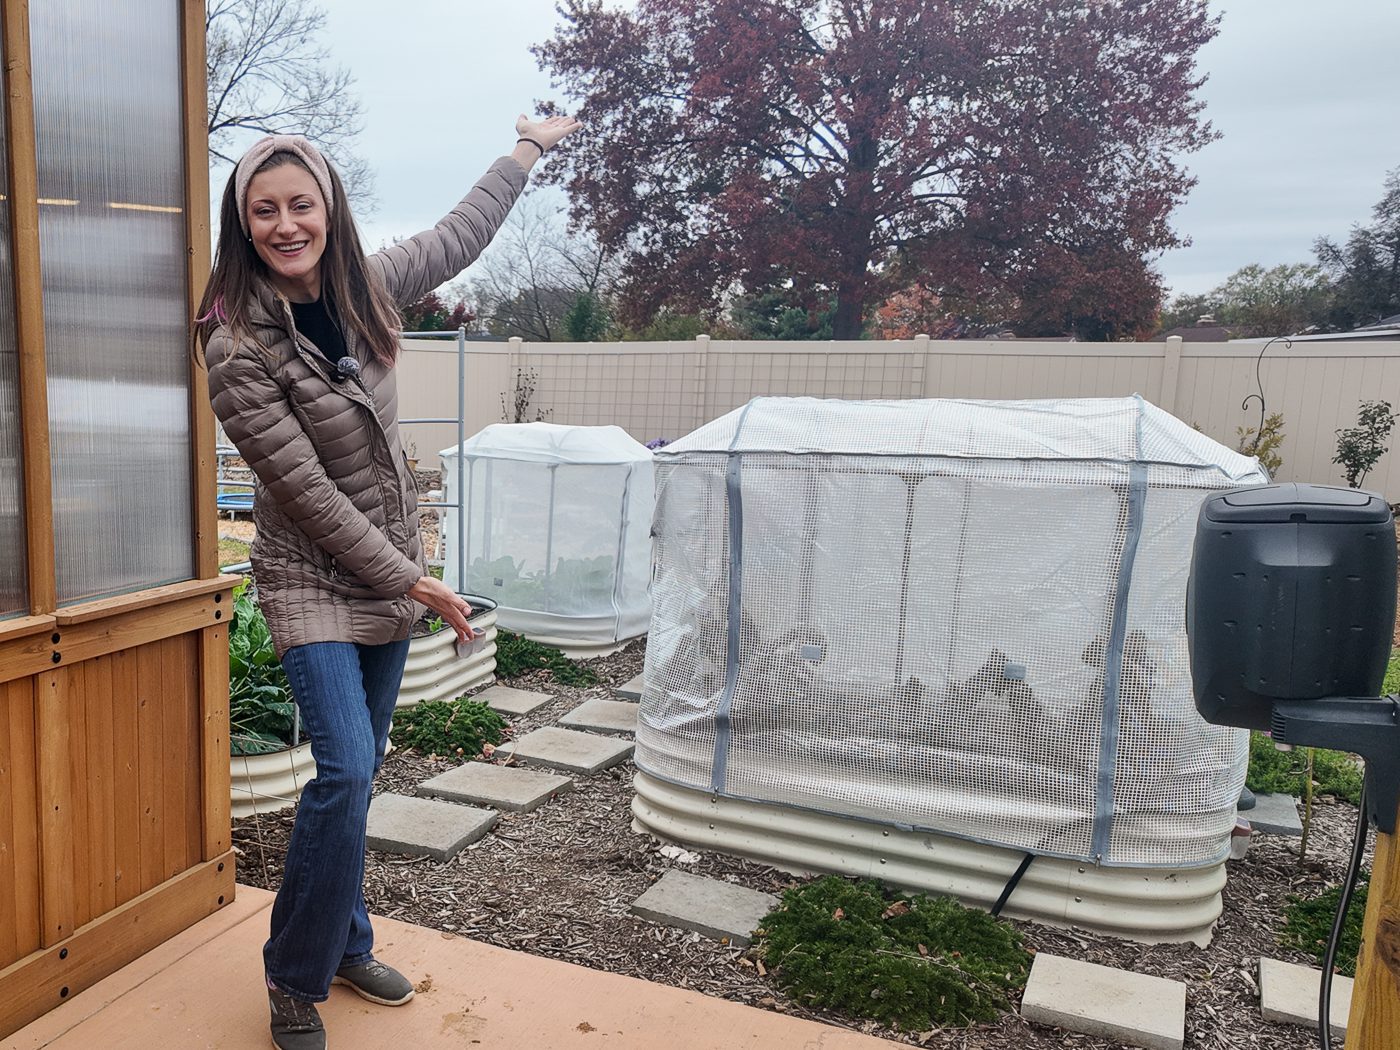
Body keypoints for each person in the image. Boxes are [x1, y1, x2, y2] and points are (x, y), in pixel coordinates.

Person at [197, 113, 580, 1050]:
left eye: (300, 204)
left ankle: (345, 940)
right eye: (264, 212)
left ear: (328, 207)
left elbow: (461, 231)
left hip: (389, 574)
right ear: (241, 226)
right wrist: (424, 584)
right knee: (347, 768)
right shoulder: (234, 345)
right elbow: (312, 498)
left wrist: (524, 149)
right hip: (311, 575)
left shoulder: (368, 286)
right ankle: (293, 977)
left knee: (358, 780)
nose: (285, 225)